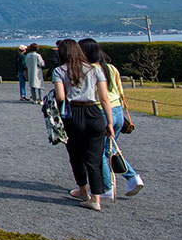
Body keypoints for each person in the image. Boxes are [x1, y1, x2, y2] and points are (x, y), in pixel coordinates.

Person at [52, 38, 113, 211]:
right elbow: (104, 97)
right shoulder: (95, 70)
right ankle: (96, 198)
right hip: (94, 113)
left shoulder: (59, 71)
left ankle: (83, 190)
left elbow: (61, 97)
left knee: (76, 155)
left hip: (74, 114)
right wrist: (109, 121)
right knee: (94, 158)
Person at [80, 38, 144, 198]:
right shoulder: (111, 68)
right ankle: (133, 178)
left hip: (101, 111)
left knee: (98, 151)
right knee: (110, 147)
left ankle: (107, 187)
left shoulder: (90, 70)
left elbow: (98, 96)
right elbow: (120, 91)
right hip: (117, 110)